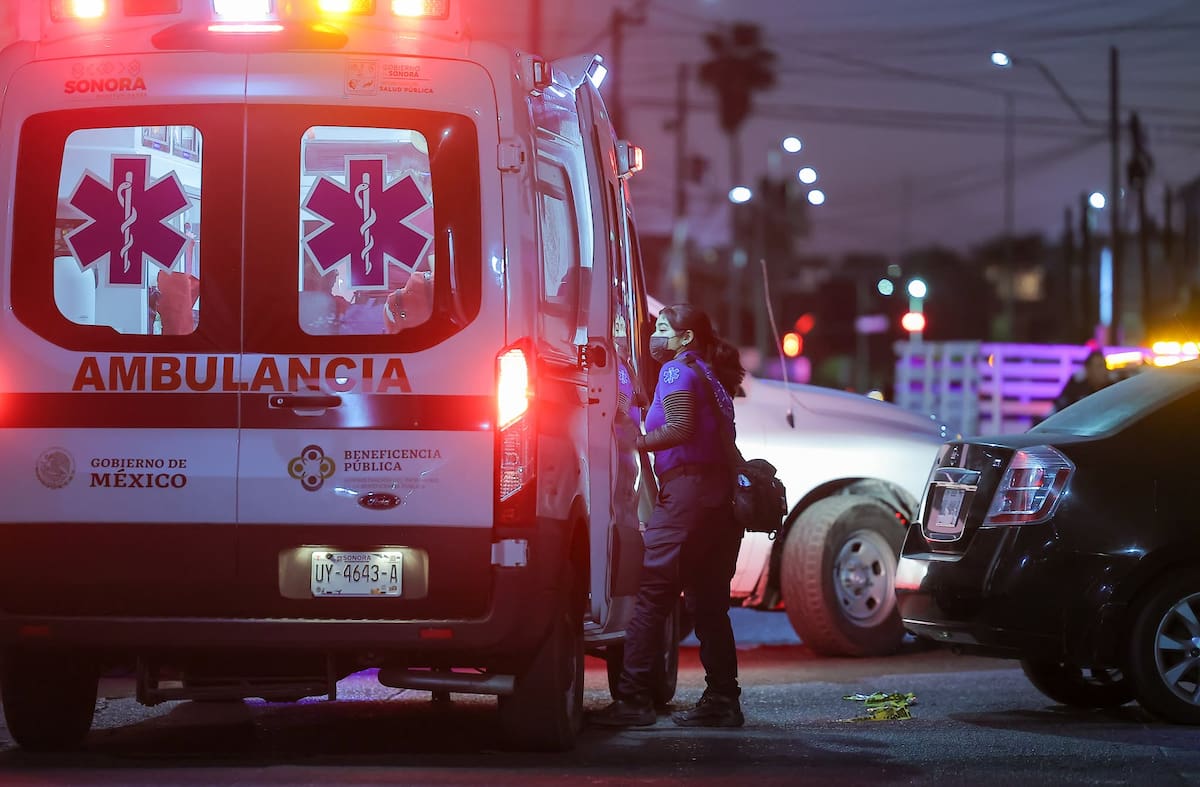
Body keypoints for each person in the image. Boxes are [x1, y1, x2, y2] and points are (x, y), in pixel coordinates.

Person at [590, 303, 747, 729]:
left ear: (685, 337)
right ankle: (723, 699)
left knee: (652, 596)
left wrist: (634, 442)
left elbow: (680, 428)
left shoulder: (677, 371)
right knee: (711, 606)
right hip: (718, 503)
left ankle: (634, 700)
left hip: (688, 497)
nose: (655, 336)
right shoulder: (711, 375)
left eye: (663, 329)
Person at [1051, 349, 1114, 414]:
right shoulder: (1076, 391)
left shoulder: (1113, 390)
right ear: (1088, 369)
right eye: (1099, 366)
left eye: (1105, 366)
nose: (1104, 371)